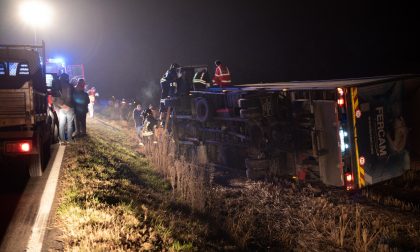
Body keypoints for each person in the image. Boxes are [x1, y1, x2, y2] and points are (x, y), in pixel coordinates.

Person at [53, 73, 75, 144]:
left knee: (61, 124)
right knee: (69, 124)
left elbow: (54, 98)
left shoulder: (56, 85)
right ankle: (70, 139)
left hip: (60, 107)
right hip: (69, 107)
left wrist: (61, 105)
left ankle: (62, 140)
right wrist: (67, 105)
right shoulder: (70, 86)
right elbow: (70, 97)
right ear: (67, 78)